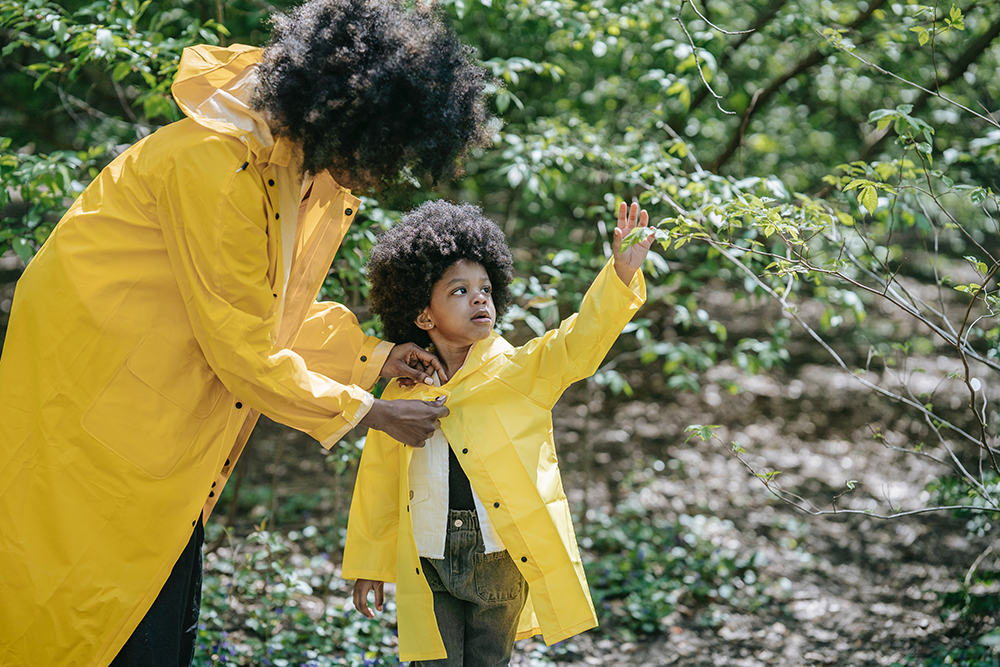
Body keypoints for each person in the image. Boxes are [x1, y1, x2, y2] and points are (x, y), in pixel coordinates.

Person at [0, 1, 494, 665]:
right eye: (380, 150)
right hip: (96, 418)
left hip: (155, 427)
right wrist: (370, 411)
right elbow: (242, 345)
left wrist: (375, 356)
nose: (378, 173)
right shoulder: (216, 166)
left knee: (147, 607)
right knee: (90, 616)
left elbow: (266, 309)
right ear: (345, 113)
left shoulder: (291, 169)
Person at [342, 198, 654, 665]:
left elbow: (579, 341)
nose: (479, 298)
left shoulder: (522, 370)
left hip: (501, 558)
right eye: (459, 291)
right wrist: (369, 564)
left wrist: (620, 275)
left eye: (485, 288)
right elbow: (378, 480)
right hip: (428, 558)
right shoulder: (401, 390)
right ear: (423, 315)